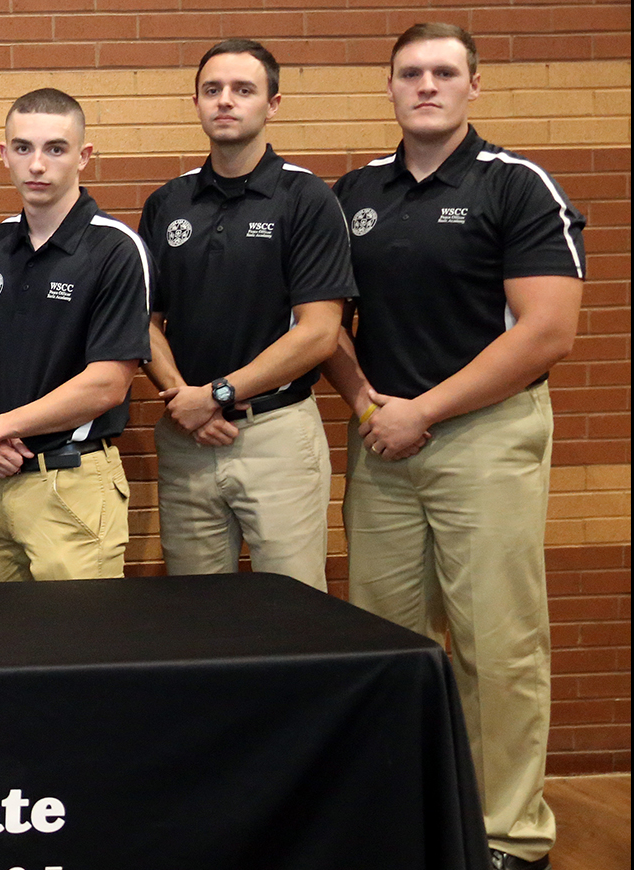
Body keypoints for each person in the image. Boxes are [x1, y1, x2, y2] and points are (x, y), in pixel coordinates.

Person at [325, 23, 584, 870]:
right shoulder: (354, 191)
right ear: (389, 87)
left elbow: (547, 332)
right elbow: (324, 322)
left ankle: (508, 833)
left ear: (475, 85)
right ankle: (399, 815)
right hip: (384, 443)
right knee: (384, 641)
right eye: (410, 73)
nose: (426, 85)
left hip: (484, 437)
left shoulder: (518, 186)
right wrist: (367, 404)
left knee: (496, 643)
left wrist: (423, 410)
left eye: (444, 72)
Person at [137, 40, 354, 589]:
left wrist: (216, 395)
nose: (225, 101)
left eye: (243, 90)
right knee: (198, 620)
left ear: (273, 104)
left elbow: (320, 333)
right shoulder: (167, 203)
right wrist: (185, 399)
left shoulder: (306, 199)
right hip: (187, 438)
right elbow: (144, 322)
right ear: (196, 103)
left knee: (295, 616)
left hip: (274, 437)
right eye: (213, 90)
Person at [0, 88, 150, 583]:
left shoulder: (116, 248)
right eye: (23, 148)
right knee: (10, 650)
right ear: (4, 155)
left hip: (72, 483)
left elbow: (107, 382)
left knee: (76, 650)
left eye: (55, 149)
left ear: (83, 157)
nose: (36, 164)